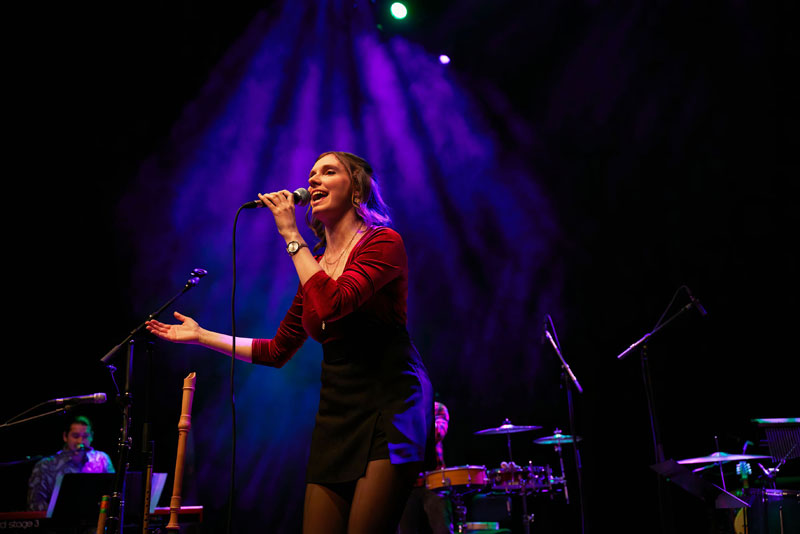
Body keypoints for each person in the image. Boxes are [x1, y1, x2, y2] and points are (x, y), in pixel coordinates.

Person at [146, 151, 435, 533]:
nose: (313, 179)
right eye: (311, 174)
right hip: (339, 410)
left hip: (390, 402)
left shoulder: (382, 242)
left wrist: (291, 236)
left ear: (356, 189)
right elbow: (277, 350)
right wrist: (202, 336)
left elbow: (334, 305)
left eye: (328, 172)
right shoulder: (316, 262)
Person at [27, 415, 115, 511]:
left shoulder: (102, 459)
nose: (80, 441)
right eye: (75, 436)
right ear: (65, 436)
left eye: (85, 436)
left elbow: (113, 492)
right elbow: (35, 505)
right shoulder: (45, 465)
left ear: (92, 436)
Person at [398, 400, 454, 534]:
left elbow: (437, 434)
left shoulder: (437, 408)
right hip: (407, 482)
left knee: (442, 529)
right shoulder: (400, 409)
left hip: (434, 481)